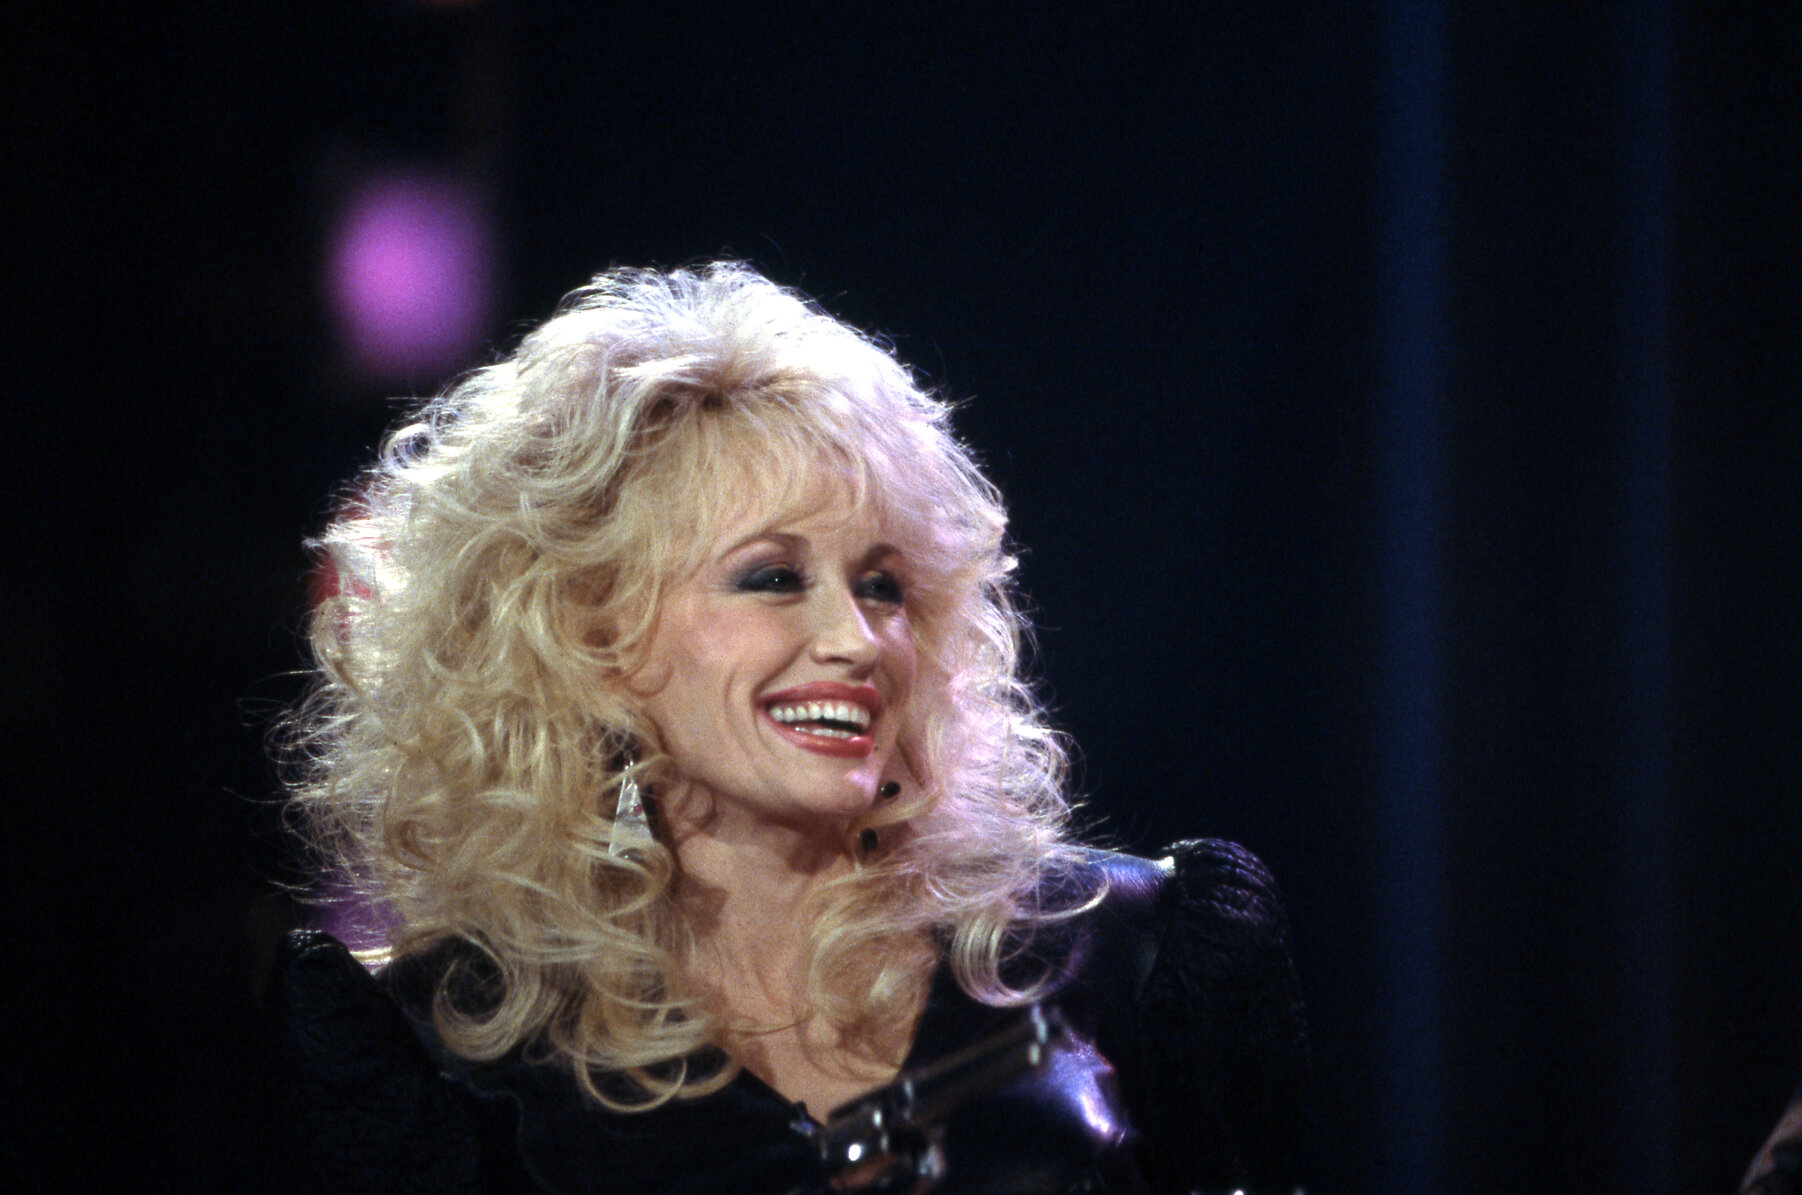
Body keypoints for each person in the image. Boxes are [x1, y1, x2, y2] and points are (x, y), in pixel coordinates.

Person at [269, 262, 1308, 1194]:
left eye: (883, 584)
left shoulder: (1134, 960)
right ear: (591, 641)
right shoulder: (437, 1052)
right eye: (772, 578)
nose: (855, 638)